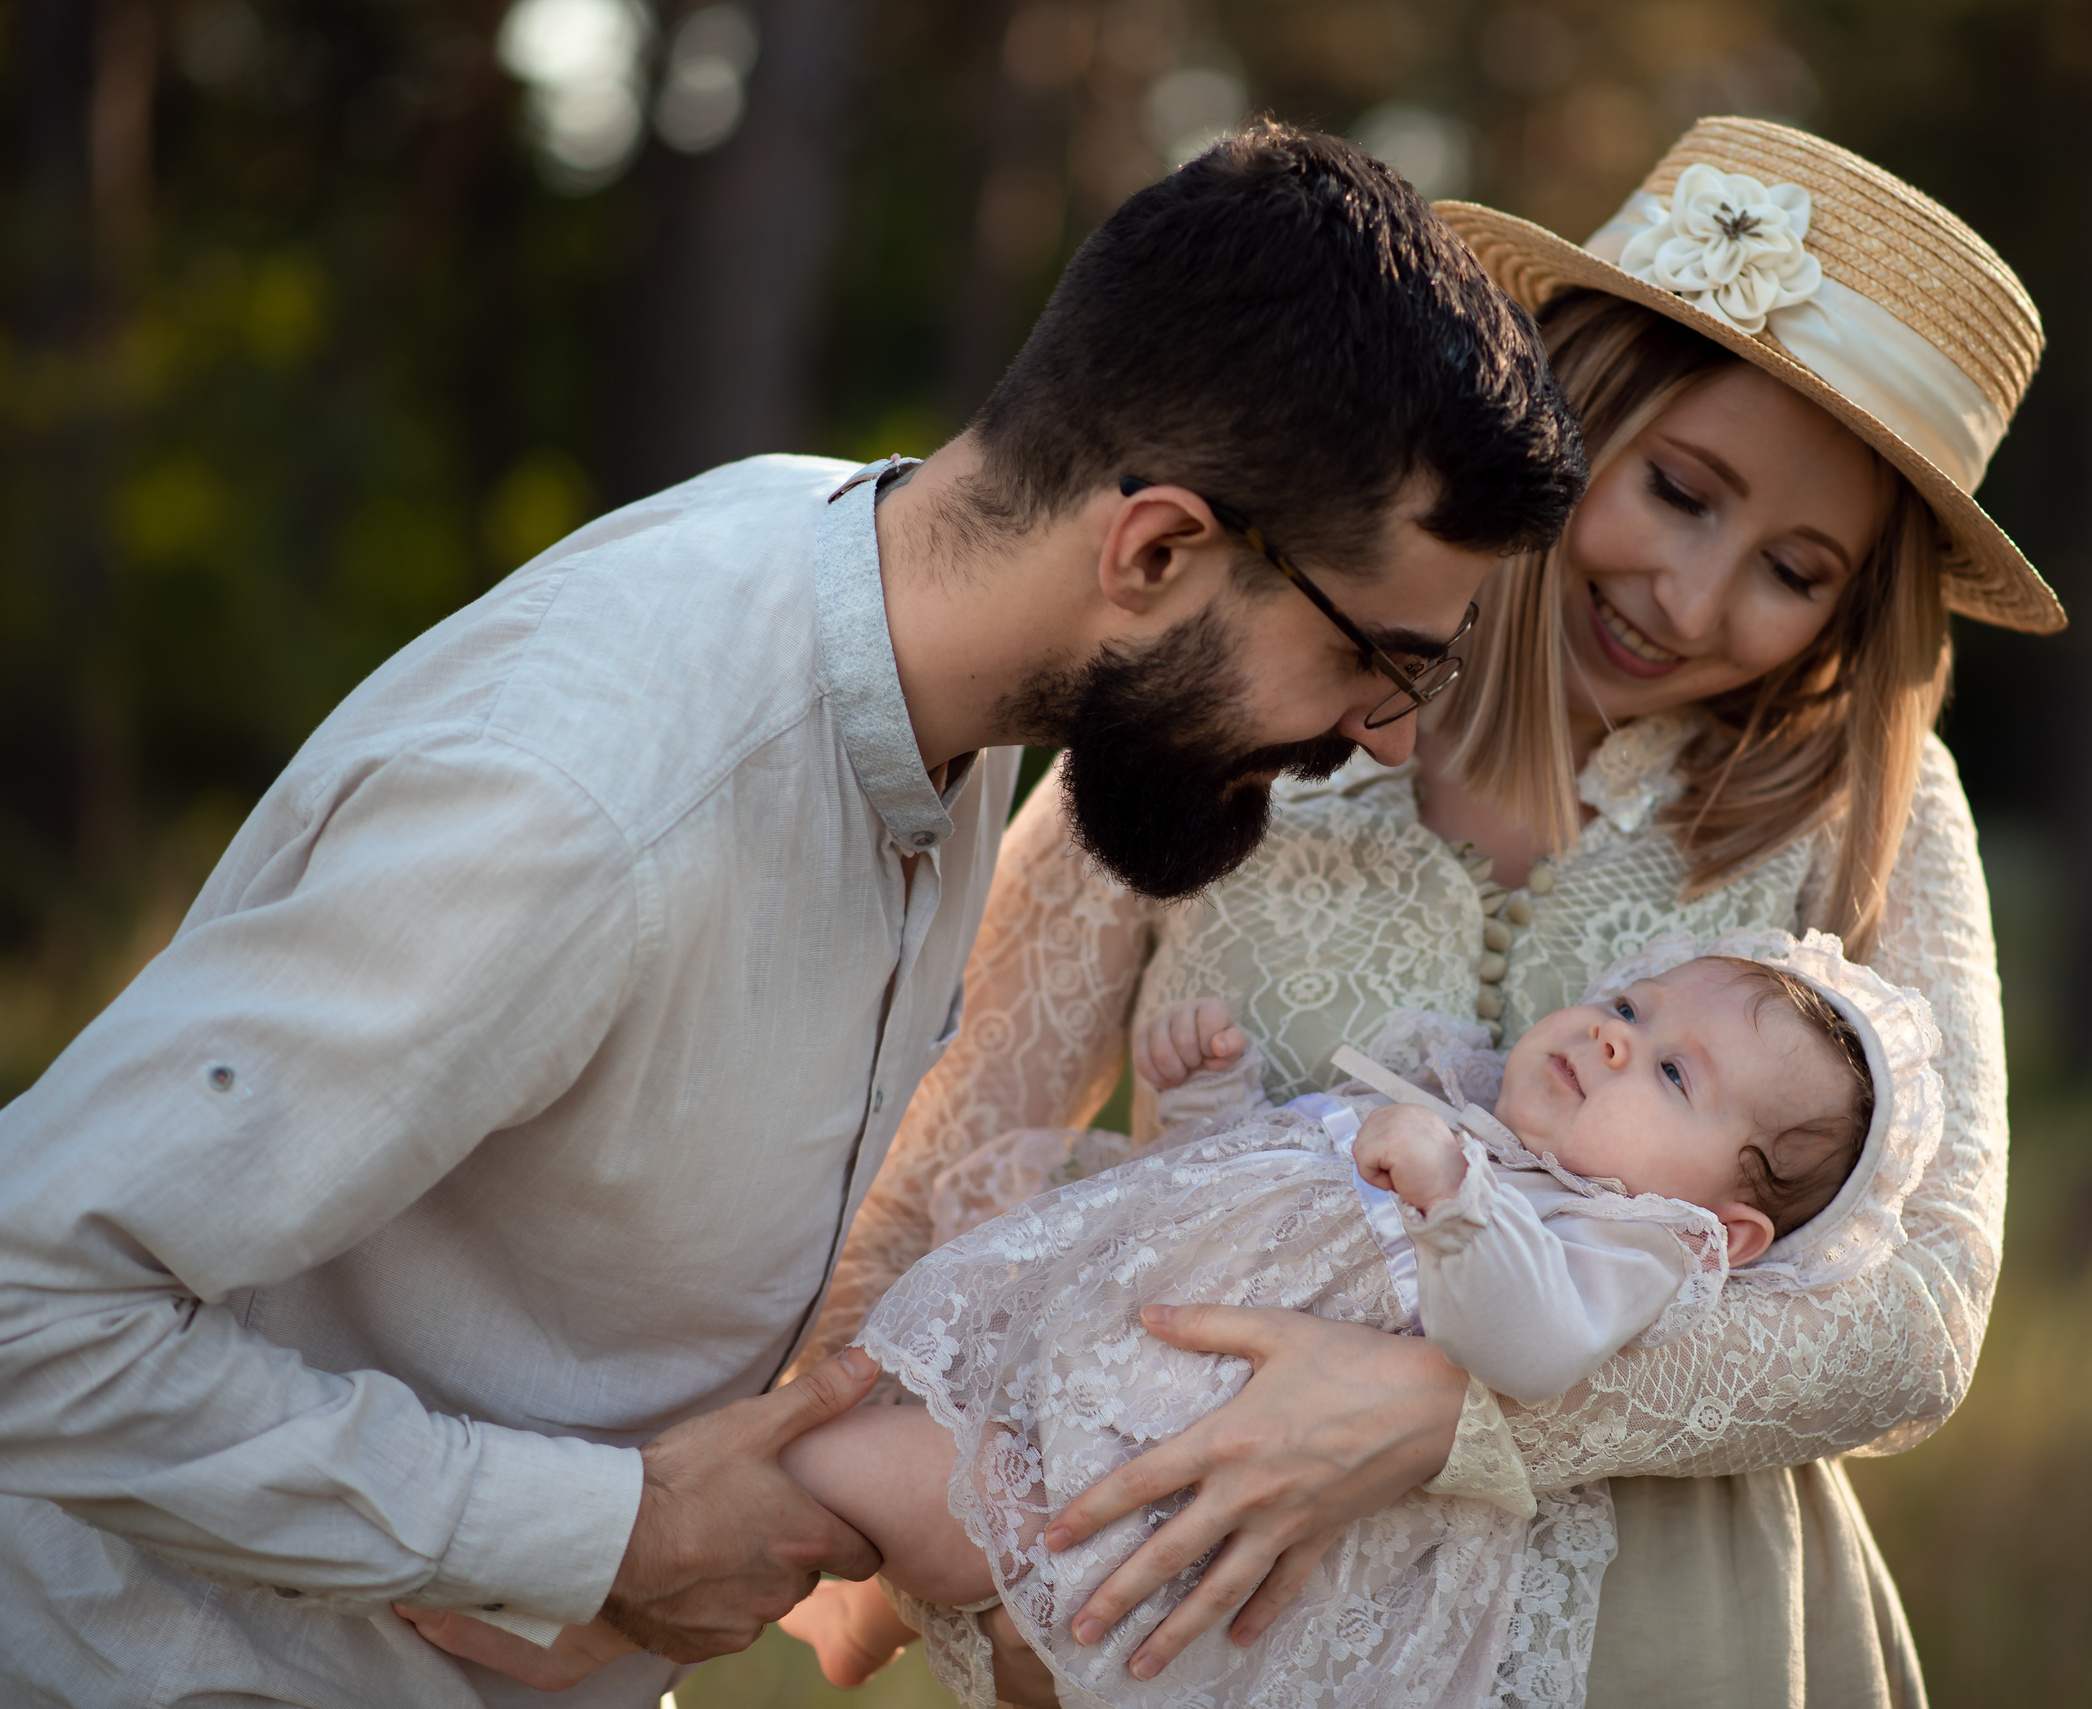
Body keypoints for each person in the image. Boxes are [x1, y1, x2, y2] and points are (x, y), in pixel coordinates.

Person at [0, 123, 1584, 1709]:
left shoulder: (921, 648)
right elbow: (28, 1310)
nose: (1385, 733)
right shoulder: (589, 808)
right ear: (1157, 549)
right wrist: (601, 1532)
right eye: (1381, 657)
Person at [792, 115, 2064, 1706]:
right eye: (1676, 490)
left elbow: (1922, 1324)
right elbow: (936, 1163)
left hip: (1665, 1642)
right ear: (1570, 400)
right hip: (1185, 1615)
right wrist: (734, 1492)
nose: (1693, 596)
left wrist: (1442, 1413)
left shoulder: (1862, 809)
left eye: (1795, 569)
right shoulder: (1244, 678)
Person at [774, 928, 1941, 1709]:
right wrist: (1207, 1100)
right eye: (1628, 1005)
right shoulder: (1464, 1101)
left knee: (837, 1476)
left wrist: (1453, 1197)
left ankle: (651, 1586)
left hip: (1178, 1459)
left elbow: (1529, 1346)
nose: (1612, 1037)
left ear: (1724, 1231)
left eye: (1676, 1076)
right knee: (898, 1474)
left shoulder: (1619, 1241)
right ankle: (850, 1604)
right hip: (1117, 1363)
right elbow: (1237, 1210)